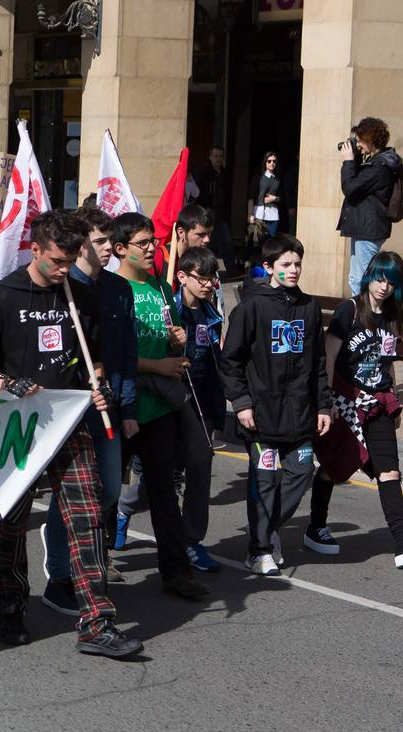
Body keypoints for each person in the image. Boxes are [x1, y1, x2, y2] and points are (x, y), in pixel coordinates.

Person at [0, 211, 142, 659]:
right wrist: (7, 382)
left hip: (68, 423)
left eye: (70, 260)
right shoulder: (2, 296)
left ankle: (97, 621)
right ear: (35, 250)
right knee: (11, 525)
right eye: (55, 261)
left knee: (86, 518)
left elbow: (95, 359)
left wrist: (99, 385)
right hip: (17, 429)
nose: (63, 269)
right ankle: (11, 605)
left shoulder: (79, 298)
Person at [306, 252, 403, 569]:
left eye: (391, 281)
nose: (383, 286)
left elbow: (386, 364)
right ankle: (316, 528)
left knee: (389, 470)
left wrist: (395, 401)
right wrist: (325, 402)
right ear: (369, 276)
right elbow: (327, 358)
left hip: (377, 402)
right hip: (345, 403)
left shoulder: (392, 318)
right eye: (379, 278)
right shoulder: (350, 310)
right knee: (334, 467)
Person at [107, 213, 211, 601]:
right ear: (120, 249)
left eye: (154, 242)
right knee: (108, 490)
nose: (152, 249)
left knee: (165, 493)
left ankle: (175, 571)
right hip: (123, 406)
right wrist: (158, 365)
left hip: (160, 408)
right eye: (143, 243)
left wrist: (176, 340)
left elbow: (169, 340)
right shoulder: (114, 289)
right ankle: (98, 563)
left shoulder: (159, 288)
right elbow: (110, 354)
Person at [219, 232, 332, 576]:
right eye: (286, 264)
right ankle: (260, 549)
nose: (294, 270)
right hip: (260, 418)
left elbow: (317, 364)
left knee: (300, 473)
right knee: (265, 481)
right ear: (268, 267)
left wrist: (324, 406)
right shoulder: (250, 308)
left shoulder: (309, 307)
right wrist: (241, 403)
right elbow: (231, 360)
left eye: (298, 263)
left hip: (299, 415)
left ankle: (267, 531)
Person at [42, 205, 132, 615]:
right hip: (70, 409)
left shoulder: (117, 289)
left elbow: (122, 354)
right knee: (76, 495)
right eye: (97, 242)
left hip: (107, 406)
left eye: (109, 241)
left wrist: (125, 404)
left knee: (109, 489)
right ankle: (63, 573)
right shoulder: (63, 287)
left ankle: (84, 561)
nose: (107, 249)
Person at [172, 246, 227, 571]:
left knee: (200, 469)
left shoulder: (213, 312)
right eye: (201, 277)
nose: (207, 284)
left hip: (203, 403)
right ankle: (125, 509)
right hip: (170, 402)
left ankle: (191, 540)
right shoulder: (168, 309)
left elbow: (219, 358)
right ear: (182, 276)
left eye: (212, 278)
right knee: (160, 479)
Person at [339, 117, 403, 298]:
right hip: (367, 227)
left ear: (370, 140)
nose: (358, 144)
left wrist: (348, 161)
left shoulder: (379, 167)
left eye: (360, 140)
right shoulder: (378, 163)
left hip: (368, 229)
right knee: (357, 277)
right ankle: (362, 314)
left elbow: (350, 188)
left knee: (360, 279)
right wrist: (356, 159)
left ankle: (362, 318)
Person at [251, 151, 282, 239]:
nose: (272, 163)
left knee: (270, 241)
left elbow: (281, 197)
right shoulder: (258, 178)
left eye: (274, 161)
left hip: (273, 214)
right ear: (265, 162)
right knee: (258, 241)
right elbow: (251, 197)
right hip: (259, 213)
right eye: (269, 161)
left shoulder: (277, 180)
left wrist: (274, 198)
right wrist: (250, 214)